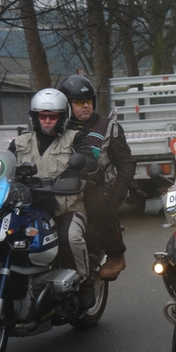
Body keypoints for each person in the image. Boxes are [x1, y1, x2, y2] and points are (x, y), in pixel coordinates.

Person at [8, 88, 99, 309]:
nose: (47, 121)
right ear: (34, 117)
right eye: (42, 116)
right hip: (28, 210)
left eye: (53, 116)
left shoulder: (74, 138)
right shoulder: (19, 143)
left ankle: (86, 283)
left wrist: (80, 167)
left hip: (66, 208)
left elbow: (89, 160)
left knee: (72, 238)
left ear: (62, 117)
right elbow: (2, 167)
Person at [59, 75, 136, 281]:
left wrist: (118, 193)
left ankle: (115, 254)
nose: (86, 106)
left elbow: (127, 163)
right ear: (66, 104)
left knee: (97, 202)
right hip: (64, 188)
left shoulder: (108, 127)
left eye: (89, 101)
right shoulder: (59, 129)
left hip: (99, 188)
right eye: (79, 102)